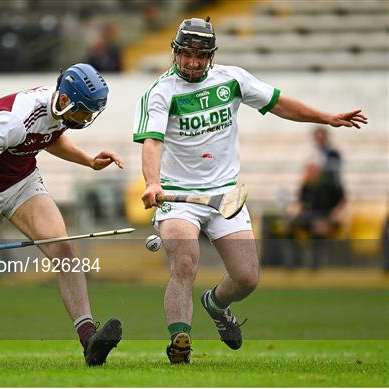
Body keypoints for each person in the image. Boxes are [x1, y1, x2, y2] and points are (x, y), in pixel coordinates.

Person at [132, 17, 367, 363]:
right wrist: (152, 181)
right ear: (175, 52)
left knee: (247, 277)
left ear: (211, 55)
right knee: (185, 261)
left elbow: (279, 103)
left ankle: (215, 304)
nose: (193, 62)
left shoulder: (232, 79)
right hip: (179, 197)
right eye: (186, 54)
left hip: (226, 194)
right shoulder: (161, 92)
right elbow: (152, 142)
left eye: (201, 55)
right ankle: (179, 342)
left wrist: (326, 117)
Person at [0, 63, 124, 366]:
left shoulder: (58, 108)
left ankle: (89, 339)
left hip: (21, 183)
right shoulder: (14, 121)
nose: (86, 119)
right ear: (65, 100)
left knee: (63, 248)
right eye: (84, 112)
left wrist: (89, 161)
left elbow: (52, 137)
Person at [285, 162, 346, 268]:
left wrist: (335, 215)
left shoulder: (329, 185)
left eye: (310, 171)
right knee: (289, 227)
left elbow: (342, 201)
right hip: (309, 217)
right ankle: (294, 261)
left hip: (325, 217)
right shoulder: (306, 185)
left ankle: (315, 264)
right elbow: (302, 205)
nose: (308, 174)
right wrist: (292, 216)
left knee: (317, 229)